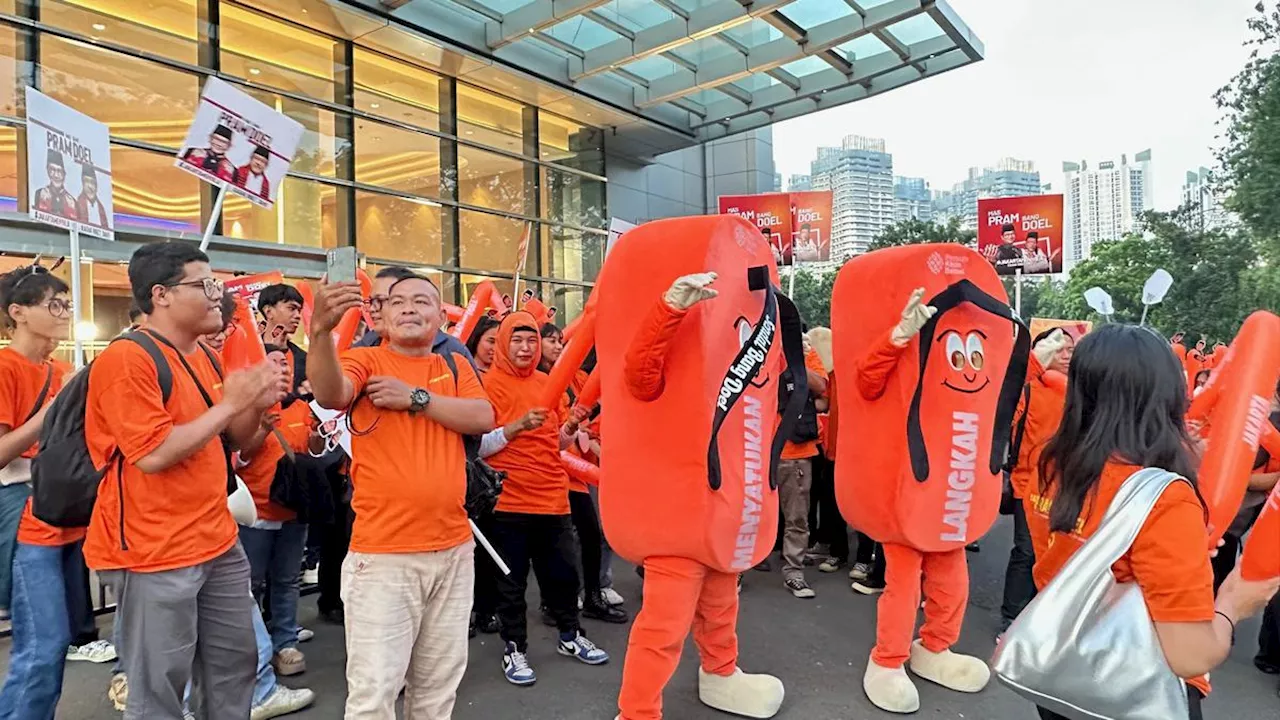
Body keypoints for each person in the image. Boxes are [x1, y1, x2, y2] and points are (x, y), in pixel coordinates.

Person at [1028, 324, 1280, 720]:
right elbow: (1190, 654)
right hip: (1132, 685)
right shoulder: (1164, 500)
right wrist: (1234, 603)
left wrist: (1179, 546)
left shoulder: (1052, 462)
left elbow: (1089, 548)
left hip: (1058, 669)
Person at [86, 242, 287, 719]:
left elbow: (232, 441)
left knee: (234, 670)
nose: (217, 294)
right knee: (160, 688)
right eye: (205, 285)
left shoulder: (201, 356)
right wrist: (232, 405)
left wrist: (257, 401)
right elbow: (153, 454)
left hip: (215, 539)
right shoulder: (127, 359)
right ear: (162, 295)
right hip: (153, 551)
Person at [308, 268, 494, 718]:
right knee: (375, 694)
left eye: (422, 300)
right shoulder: (365, 360)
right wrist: (319, 332)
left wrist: (417, 398)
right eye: (398, 301)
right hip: (384, 556)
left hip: (453, 550)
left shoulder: (454, 365)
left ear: (440, 319)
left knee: (436, 688)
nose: (410, 307)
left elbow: (483, 416)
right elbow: (331, 393)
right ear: (379, 317)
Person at [478, 312, 609, 685]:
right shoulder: (486, 385)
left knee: (564, 576)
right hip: (507, 502)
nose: (526, 348)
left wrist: (569, 426)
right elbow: (477, 446)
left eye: (532, 341)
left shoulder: (551, 382)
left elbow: (558, 444)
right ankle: (514, 648)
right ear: (504, 343)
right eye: (517, 340)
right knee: (512, 583)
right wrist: (515, 428)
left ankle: (571, 636)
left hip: (553, 497)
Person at [0, 265, 99, 717]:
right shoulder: (4, 367)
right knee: (43, 645)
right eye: (53, 304)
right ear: (17, 313)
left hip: (66, 513)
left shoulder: (63, 368)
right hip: (26, 517)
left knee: (55, 644)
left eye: (66, 305)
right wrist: (54, 411)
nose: (63, 313)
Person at [237, 345, 319, 678]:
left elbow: (313, 451)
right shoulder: (247, 408)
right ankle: (252, 648)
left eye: (286, 365)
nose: (282, 371)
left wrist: (317, 438)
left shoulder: (302, 407)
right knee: (250, 582)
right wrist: (262, 430)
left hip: (293, 510)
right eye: (273, 365)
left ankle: (286, 641)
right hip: (255, 510)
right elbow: (239, 457)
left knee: (286, 580)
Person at [537, 322, 628, 624]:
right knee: (557, 540)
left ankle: (592, 593)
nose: (557, 346)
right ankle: (556, 601)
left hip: (578, 468)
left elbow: (573, 423)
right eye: (550, 341)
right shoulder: (538, 380)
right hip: (548, 471)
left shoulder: (577, 377)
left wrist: (581, 428)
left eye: (559, 340)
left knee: (591, 533)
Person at [998, 328, 1072, 636]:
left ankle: (1039, 620)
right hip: (1027, 485)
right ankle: (1012, 619)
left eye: (1070, 349)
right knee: (1026, 551)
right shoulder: (1026, 388)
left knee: (1057, 557)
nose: (1065, 355)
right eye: (1058, 348)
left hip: (1067, 489)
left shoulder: (1081, 393)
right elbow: (1001, 415)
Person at [774, 328, 828, 599]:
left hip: (796, 452)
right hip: (754, 449)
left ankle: (793, 572)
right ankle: (734, 571)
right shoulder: (757, 350)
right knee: (746, 514)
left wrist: (796, 357)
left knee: (797, 517)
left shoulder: (806, 354)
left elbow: (821, 388)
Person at [257, 284, 307, 395]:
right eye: (292, 308)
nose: (298, 315)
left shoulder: (305, 360)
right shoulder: (248, 353)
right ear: (269, 312)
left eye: (299, 310)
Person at [33, 149, 77, 221]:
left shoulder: (72, 202)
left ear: (64, 174)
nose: (56, 175)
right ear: (47, 171)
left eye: (59, 171)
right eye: (52, 170)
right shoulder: (39, 193)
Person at [76, 164, 110, 230]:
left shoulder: (101, 208)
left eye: (92, 182)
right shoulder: (78, 204)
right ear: (82, 183)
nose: (90, 186)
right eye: (86, 181)